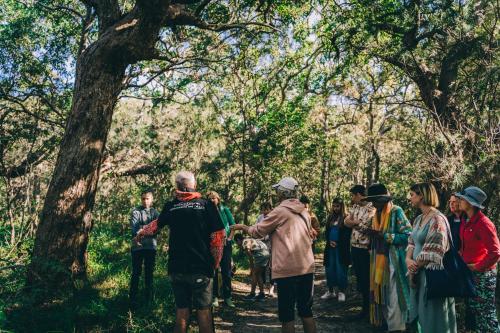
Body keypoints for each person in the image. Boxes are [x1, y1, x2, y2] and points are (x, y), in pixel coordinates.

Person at [135, 171, 225, 333]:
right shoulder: (206, 205)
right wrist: (216, 262)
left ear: (177, 187)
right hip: (201, 267)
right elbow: (218, 236)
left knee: (181, 312)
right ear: (194, 185)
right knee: (204, 313)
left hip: (176, 268)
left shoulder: (171, 206)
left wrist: (141, 232)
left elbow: (156, 224)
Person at [231, 177, 317, 333]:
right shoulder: (304, 210)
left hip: (287, 268)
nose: (276, 194)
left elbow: (257, 231)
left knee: (287, 315)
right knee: (306, 311)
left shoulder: (280, 211)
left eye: (278, 191)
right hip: (306, 267)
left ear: (282, 193)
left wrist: (242, 227)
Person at [406, 182, 457, 333]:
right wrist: (408, 260)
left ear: (422, 196)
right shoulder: (418, 219)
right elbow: (411, 242)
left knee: (434, 316)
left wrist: (415, 266)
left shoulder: (438, 219)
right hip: (417, 273)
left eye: (412, 195)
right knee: (421, 314)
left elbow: (435, 250)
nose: (410, 198)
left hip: (431, 275)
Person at [364, 183, 411, 332]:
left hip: (394, 261)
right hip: (378, 260)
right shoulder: (375, 214)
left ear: (383, 199)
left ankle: (397, 327)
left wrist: (384, 236)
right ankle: (388, 324)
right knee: (382, 295)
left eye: (376, 200)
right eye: (372, 201)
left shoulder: (396, 211)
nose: (374, 204)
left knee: (394, 297)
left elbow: (408, 235)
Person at [456, 186, 500, 333]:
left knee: (487, 314)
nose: (459, 200)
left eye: (462, 199)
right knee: (477, 312)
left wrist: (477, 267)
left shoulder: (484, 223)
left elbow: (495, 252)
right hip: (470, 274)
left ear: (470, 202)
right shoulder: (465, 220)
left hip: (484, 275)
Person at [343, 185, 375, 319]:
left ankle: (370, 309)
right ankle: (364, 308)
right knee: (360, 279)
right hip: (354, 247)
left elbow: (366, 227)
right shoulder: (355, 207)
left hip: (365, 249)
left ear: (359, 195)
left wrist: (354, 223)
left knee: (367, 279)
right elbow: (345, 222)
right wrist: (355, 222)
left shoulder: (371, 208)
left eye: (353, 195)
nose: (352, 198)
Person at [129, 189, 160, 309]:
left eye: (147, 198)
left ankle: (148, 299)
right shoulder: (136, 211)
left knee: (149, 273)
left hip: (151, 247)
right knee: (136, 273)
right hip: (137, 247)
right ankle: (132, 299)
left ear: (151, 200)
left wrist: (143, 230)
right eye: (143, 198)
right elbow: (134, 228)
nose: (145, 201)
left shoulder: (155, 213)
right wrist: (148, 230)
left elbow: (157, 228)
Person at [206, 191, 236, 308]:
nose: (212, 200)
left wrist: (229, 239)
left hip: (225, 244)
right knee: (214, 271)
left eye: (214, 198)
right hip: (212, 244)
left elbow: (233, 225)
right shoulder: (206, 212)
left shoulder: (225, 210)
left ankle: (228, 297)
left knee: (226, 271)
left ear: (218, 199)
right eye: (210, 199)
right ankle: (215, 297)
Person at [321, 197, 351, 302]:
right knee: (330, 269)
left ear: (342, 206)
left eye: (337, 206)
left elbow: (347, 235)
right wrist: (329, 241)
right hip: (330, 248)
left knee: (341, 269)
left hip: (341, 249)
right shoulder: (330, 218)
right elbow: (327, 232)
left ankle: (342, 291)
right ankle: (330, 291)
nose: (335, 208)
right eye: (334, 206)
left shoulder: (346, 218)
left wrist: (338, 243)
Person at [233, 233, 270, 300]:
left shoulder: (244, 242)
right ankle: (262, 294)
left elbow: (250, 257)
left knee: (254, 274)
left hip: (260, 254)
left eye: (236, 242)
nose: (237, 244)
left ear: (238, 240)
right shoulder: (248, 238)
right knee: (258, 274)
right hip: (266, 253)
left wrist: (252, 269)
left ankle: (252, 294)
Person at [256, 201, 277, 297]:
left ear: (270, 209)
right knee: (262, 267)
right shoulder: (260, 218)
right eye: (263, 209)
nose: (265, 211)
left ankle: (271, 289)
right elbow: (256, 229)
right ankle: (264, 288)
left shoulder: (274, 217)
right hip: (261, 245)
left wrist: (266, 237)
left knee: (271, 267)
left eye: (266, 209)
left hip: (272, 244)